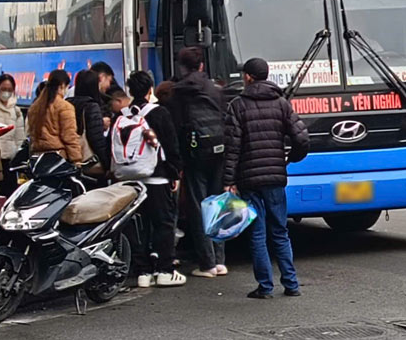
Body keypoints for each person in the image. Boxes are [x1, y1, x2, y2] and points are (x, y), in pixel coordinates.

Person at [224, 57, 309, 299]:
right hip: (275, 176)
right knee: (280, 231)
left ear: (248, 77)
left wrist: (228, 181)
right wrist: (289, 159)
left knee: (258, 234)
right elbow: (302, 139)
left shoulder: (238, 105)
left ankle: (265, 286)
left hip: (249, 180)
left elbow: (233, 148)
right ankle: (291, 284)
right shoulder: (282, 103)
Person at [166, 47, 228, 278]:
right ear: (202, 66)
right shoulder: (216, 89)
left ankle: (207, 263)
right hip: (219, 149)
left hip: (194, 154)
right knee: (218, 204)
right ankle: (220, 260)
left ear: (181, 67)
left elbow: (175, 126)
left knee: (197, 206)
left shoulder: (177, 92)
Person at [125, 70, 186, 288]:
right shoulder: (159, 113)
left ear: (130, 90)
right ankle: (165, 269)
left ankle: (143, 272)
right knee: (164, 224)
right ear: (150, 89)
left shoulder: (124, 114)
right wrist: (174, 172)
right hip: (157, 177)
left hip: (130, 180)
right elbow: (171, 145)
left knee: (141, 226)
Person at [27, 70, 85, 164]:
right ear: (62, 85)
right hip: (58, 159)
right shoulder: (65, 107)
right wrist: (77, 160)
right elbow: (69, 136)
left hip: (37, 158)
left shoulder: (35, 107)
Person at [0, 73, 27, 196]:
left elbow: (19, 137)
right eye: (3, 89)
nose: (6, 93)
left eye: (9, 90)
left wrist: (18, 155)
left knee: (10, 193)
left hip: (10, 160)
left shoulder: (16, 111)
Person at [67, 70, 109, 175]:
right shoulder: (92, 106)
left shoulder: (67, 104)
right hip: (89, 162)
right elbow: (96, 139)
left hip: (70, 160)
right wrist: (107, 164)